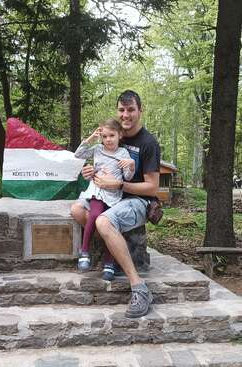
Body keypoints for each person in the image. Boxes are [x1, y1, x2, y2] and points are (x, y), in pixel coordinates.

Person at [71, 90, 160, 318]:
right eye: (122, 110)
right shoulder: (112, 136)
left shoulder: (148, 143)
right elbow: (97, 163)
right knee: (78, 210)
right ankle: (113, 253)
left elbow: (152, 187)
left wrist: (118, 184)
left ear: (140, 111)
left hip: (138, 201)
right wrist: (90, 173)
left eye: (131, 110)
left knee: (103, 220)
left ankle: (139, 287)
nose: (126, 115)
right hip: (110, 196)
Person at [73, 118, 135, 281]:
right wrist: (91, 139)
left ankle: (110, 262)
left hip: (113, 195)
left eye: (112, 136)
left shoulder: (123, 154)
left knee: (111, 225)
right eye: (105, 136)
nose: (108, 139)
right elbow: (78, 154)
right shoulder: (98, 149)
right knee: (94, 215)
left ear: (120, 135)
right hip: (97, 190)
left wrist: (131, 165)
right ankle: (84, 250)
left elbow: (127, 177)